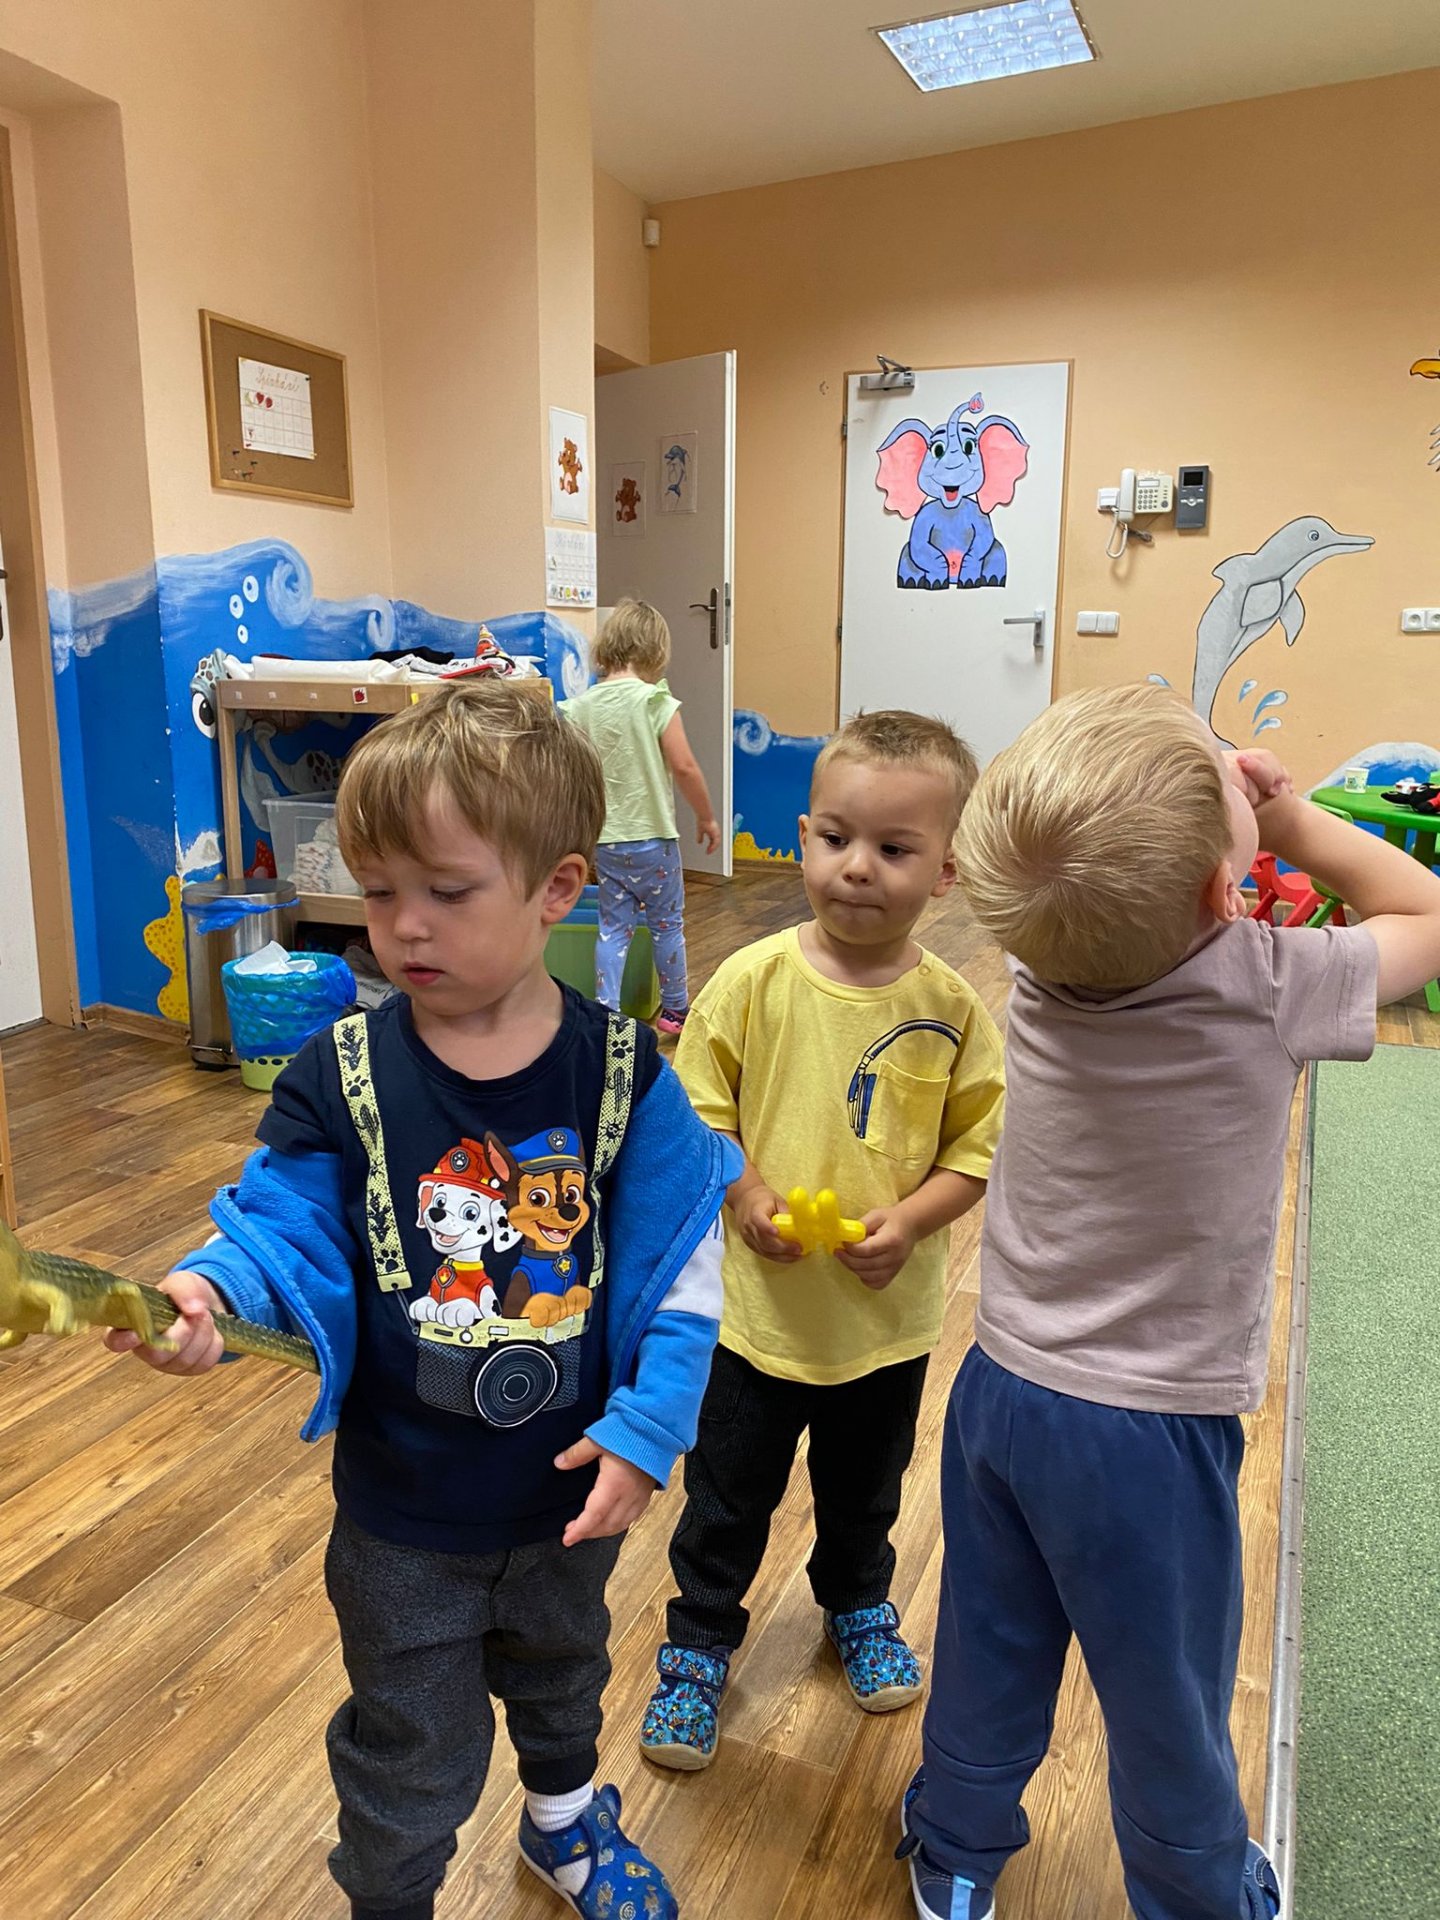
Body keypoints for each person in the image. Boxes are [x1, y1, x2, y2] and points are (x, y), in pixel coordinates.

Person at [107, 681, 740, 1920]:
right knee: (409, 1745)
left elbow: (682, 1262)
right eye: (379, 888)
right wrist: (213, 1291)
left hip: (569, 1489)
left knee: (564, 1680)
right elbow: (282, 1223)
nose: (404, 925)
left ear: (557, 888)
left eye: (447, 891)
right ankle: (390, 1897)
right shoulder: (338, 1071)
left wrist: (650, 1427)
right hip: (402, 1511)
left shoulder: (622, 1071)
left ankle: (563, 1830)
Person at [898, 683, 1440, 1920]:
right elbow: (1426, 911)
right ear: (1222, 890)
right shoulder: (1270, 982)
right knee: (1167, 1698)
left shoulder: (1039, 961)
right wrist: (1291, 819)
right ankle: (1200, 1894)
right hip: (1147, 1434)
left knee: (990, 1646)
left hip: (1000, 1390)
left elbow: (1092, 872)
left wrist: (1220, 829)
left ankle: (954, 1859)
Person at [636, 709, 1006, 1770]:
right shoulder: (752, 982)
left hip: (881, 1327)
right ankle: (697, 1644)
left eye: (894, 849)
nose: (857, 868)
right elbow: (695, 1115)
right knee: (725, 1497)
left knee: (865, 1492)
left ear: (946, 872)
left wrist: (914, 1220)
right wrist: (746, 1190)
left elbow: (976, 1148)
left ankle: (857, 1604)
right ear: (803, 838)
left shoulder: (952, 1010)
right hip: (752, 1322)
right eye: (836, 838)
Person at [563, 598, 721, 1035]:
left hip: (607, 841)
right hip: (654, 841)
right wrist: (706, 817)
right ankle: (674, 1011)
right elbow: (684, 766)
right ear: (654, 651)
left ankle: (608, 1013)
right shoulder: (655, 700)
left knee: (613, 929)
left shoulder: (581, 707)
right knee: (667, 925)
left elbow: (571, 773)